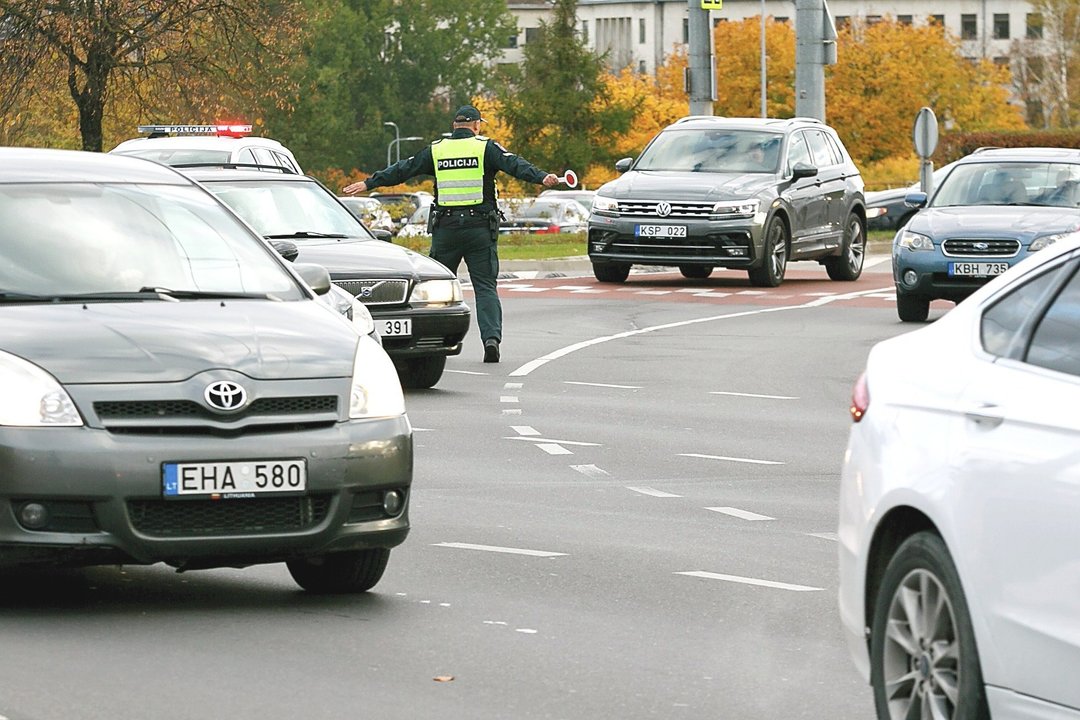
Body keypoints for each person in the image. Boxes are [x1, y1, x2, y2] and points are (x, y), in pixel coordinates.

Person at [344, 105, 558, 363]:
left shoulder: (437, 150)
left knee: (435, 288)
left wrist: (369, 182)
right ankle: (491, 340)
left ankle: (431, 343)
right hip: (479, 230)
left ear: (454, 125)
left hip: (446, 231)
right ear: (477, 125)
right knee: (485, 287)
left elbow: (403, 169)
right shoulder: (486, 147)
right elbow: (515, 164)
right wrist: (542, 178)